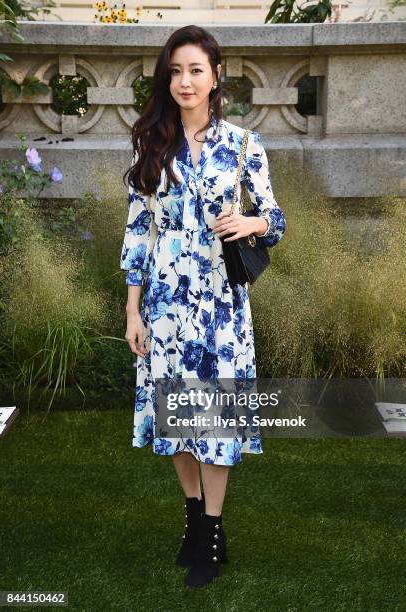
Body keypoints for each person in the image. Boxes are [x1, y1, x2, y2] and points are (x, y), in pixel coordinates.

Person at [120, 24, 286, 588]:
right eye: (175, 71)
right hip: (165, 306)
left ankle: (211, 534)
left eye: (195, 70)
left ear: (216, 77)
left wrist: (250, 221)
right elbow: (138, 233)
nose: (185, 81)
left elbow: (276, 218)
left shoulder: (243, 144)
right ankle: (194, 518)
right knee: (176, 418)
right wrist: (132, 312)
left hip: (220, 307)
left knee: (213, 420)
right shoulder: (150, 144)